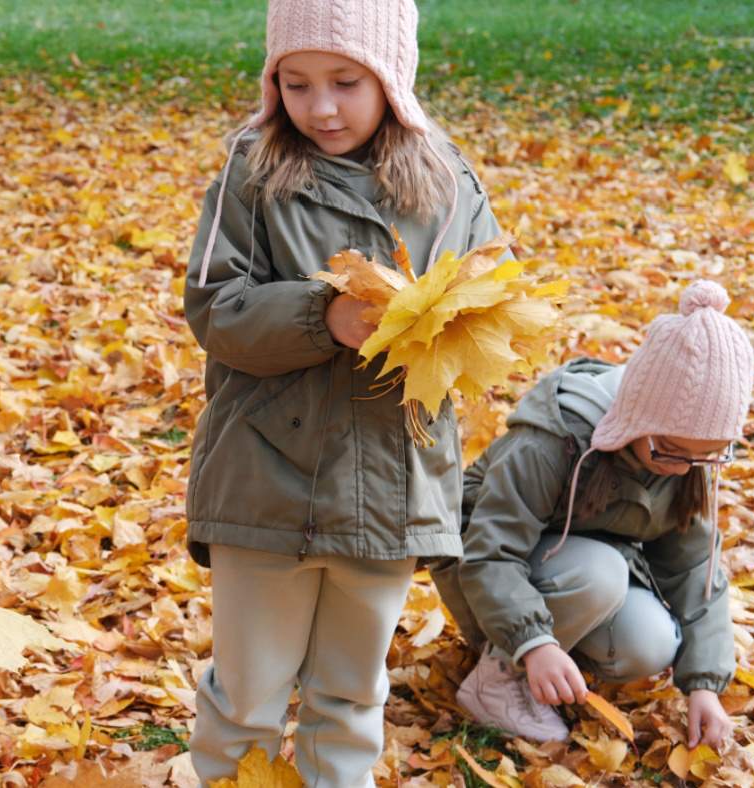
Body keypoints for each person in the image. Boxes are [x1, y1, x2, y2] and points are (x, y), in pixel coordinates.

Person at [181, 0, 509, 783]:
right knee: (246, 699)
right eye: (295, 84)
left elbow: (492, 294)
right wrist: (321, 315)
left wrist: (447, 323)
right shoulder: (254, 168)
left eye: (345, 82)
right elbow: (214, 307)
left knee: (352, 696)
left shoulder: (448, 177)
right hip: (266, 476)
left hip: (394, 482)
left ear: (392, 78)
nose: (320, 107)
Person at [433, 280, 753, 749]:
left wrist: (705, 684)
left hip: (569, 576)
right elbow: (489, 553)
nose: (682, 468)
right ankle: (499, 676)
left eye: (704, 457)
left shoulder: (684, 456)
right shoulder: (550, 443)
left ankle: (546, 664)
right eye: (671, 451)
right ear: (637, 418)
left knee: (651, 643)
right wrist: (534, 643)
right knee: (600, 572)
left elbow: (693, 569)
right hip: (484, 574)